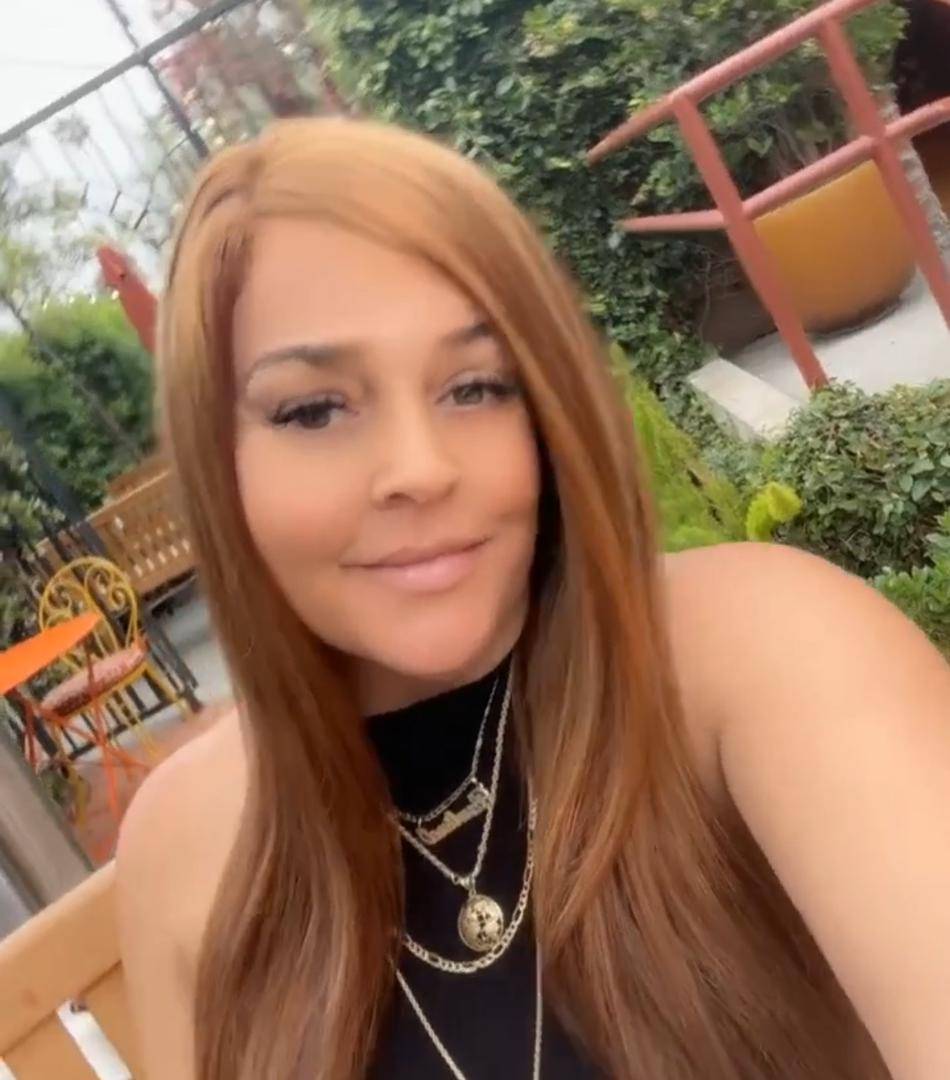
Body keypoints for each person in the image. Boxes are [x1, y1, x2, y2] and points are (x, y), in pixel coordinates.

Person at [116, 117, 950, 1080]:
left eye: (475, 388)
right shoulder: (185, 848)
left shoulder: (759, 655)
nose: (420, 469)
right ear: (220, 462)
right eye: (313, 409)